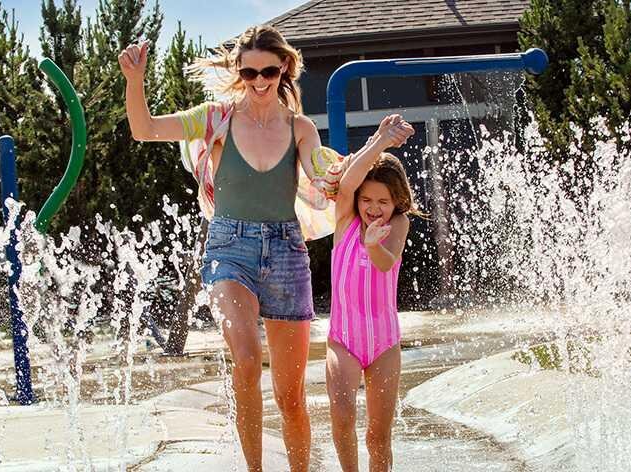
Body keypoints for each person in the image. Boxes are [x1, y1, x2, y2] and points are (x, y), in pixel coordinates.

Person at [118, 24, 411, 472]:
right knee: (247, 360)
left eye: (268, 72)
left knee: (290, 397)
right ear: (238, 72)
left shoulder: (299, 128)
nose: (259, 81)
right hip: (229, 249)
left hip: (286, 254)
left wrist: (368, 150)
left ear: (284, 69)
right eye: (249, 72)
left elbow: (327, 178)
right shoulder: (215, 118)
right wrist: (134, 80)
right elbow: (144, 129)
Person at [326, 115, 420, 472]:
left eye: (383, 201)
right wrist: (380, 141)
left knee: (378, 436)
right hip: (343, 340)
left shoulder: (398, 225)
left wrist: (373, 245)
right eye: (366, 199)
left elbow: (386, 263)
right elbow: (348, 184)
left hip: (384, 344)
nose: (373, 208)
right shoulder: (346, 221)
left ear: (397, 201)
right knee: (342, 415)